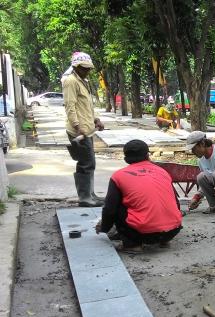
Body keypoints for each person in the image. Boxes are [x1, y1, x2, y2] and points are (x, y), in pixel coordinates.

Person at [96, 140, 183, 253]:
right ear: (147, 155)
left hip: (141, 234)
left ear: (125, 158)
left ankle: (132, 245)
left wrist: (104, 228)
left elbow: (109, 210)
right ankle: (164, 241)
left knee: (117, 204)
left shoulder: (118, 176)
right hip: (172, 231)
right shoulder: (162, 171)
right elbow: (176, 204)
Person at [63, 52, 105, 207]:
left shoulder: (83, 82)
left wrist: (96, 120)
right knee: (86, 163)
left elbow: (87, 107)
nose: (87, 71)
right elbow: (70, 106)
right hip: (79, 132)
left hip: (87, 130)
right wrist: (77, 126)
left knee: (89, 163)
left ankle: (90, 194)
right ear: (76, 67)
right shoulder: (71, 81)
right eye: (84, 68)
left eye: (88, 68)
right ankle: (85, 198)